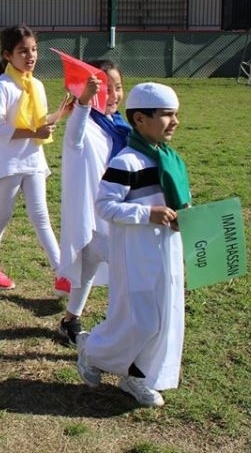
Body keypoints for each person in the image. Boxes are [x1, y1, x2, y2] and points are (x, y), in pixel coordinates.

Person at [76, 82, 190, 408]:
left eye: (175, 114)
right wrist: (146, 213)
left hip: (166, 252)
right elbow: (105, 206)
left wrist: (187, 219)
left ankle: (137, 377)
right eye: (167, 115)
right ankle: (92, 350)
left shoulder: (170, 160)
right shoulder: (126, 162)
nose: (175, 122)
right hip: (136, 255)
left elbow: (179, 203)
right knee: (141, 320)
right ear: (140, 119)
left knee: (164, 319)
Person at [0, 25, 64, 294]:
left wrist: (61, 113)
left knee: (41, 217)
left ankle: (62, 272)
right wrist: (34, 131)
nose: (30, 56)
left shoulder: (36, 84)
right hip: (9, 162)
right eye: (23, 51)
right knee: (3, 215)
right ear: (7, 54)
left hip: (34, 160)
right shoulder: (2, 86)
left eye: (34, 50)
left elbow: (40, 121)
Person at [57, 60, 131, 345]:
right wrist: (85, 99)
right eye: (106, 89)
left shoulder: (121, 125)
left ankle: (71, 319)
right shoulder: (85, 124)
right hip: (94, 214)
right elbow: (74, 137)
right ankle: (119, 327)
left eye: (119, 88)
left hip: (118, 209)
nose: (113, 95)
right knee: (121, 266)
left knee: (89, 267)